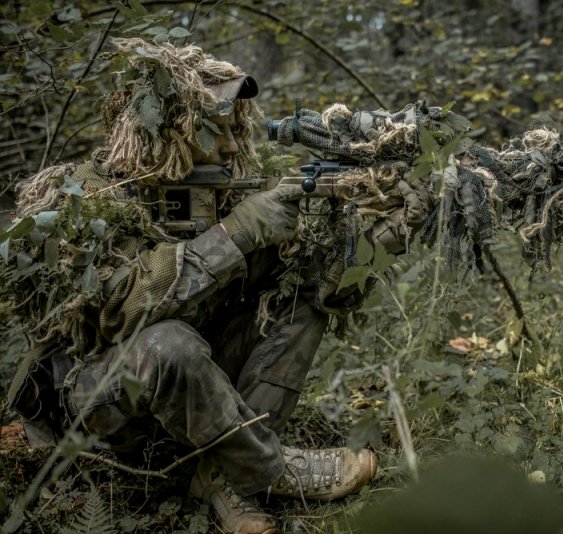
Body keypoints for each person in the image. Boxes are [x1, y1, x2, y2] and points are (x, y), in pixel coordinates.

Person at [3, 39, 429, 534]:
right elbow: (117, 309)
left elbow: (316, 289)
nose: (231, 146)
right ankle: (270, 467)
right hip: (95, 408)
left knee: (297, 303)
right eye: (216, 131)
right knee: (169, 344)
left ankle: (222, 477)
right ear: (168, 129)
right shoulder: (83, 199)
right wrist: (238, 233)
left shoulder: (220, 191)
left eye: (234, 131)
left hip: (187, 394)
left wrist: (381, 240)